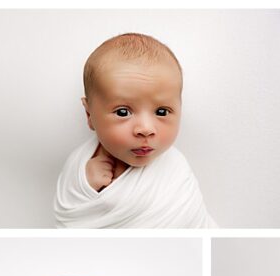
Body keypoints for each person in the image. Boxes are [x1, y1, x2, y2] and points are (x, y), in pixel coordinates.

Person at [55, 33, 216, 228]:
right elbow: (70, 219)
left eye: (162, 111)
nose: (146, 129)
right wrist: (82, 183)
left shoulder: (175, 170)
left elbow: (196, 225)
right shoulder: (80, 164)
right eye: (123, 112)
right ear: (89, 115)